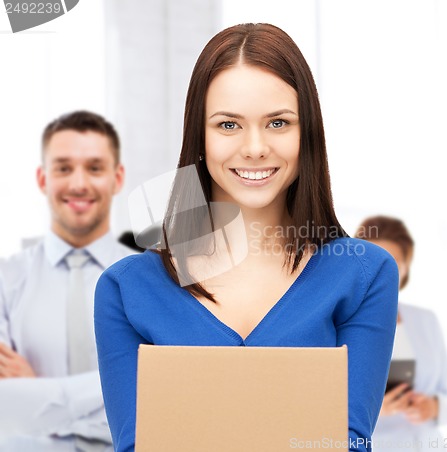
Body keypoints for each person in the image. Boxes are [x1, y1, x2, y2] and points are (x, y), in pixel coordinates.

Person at [95, 23, 399, 452]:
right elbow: (137, 446)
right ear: (199, 137)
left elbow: (346, 443)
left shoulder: (365, 274)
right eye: (228, 125)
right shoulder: (125, 289)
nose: (255, 148)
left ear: (306, 132)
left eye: (278, 122)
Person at [0, 111, 135, 451]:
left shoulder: (151, 281)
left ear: (117, 178)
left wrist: (40, 394)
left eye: (94, 168)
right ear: (43, 178)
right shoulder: (5, 280)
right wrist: (115, 389)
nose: (78, 183)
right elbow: (4, 409)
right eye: (63, 168)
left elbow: (162, 394)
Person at [355, 215, 447, 451]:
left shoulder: (426, 320)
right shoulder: (340, 324)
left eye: (393, 263)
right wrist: (375, 410)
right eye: (373, 262)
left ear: (406, 268)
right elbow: (319, 404)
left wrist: (435, 407)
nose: (382, 273)